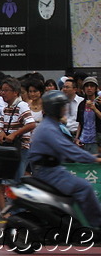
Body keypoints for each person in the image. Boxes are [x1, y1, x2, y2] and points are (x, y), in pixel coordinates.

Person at [29, 90, 101, 226]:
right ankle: (96, 225)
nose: (65, 109)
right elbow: (71, 151)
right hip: (49, 172)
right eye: (62, 106)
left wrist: (94, 156)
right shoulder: (48, 128)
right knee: (84, 187)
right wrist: (95, 159)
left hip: (52, 169)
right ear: (55, 108)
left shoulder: (52, 125)